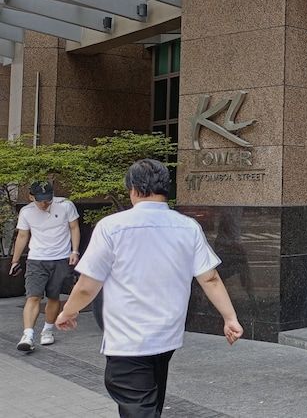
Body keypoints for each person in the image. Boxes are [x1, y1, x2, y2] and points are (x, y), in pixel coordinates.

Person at [55, 159, 243, 418]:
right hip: (167, 335)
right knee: (151, 401)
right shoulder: (188, 227)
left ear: (133, 189)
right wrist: (230, 318)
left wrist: (68, 311)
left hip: (128, 340)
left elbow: (88, 285)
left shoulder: (112, 227)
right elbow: (210, 278)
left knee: (139, 407)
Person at [8, 181, 80, 351]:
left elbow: (74, 227)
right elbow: (22, 236)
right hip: (36, 259)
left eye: (48, 199)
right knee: (33, 296)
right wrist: (15, 261)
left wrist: (74, 251)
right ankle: (28, 335)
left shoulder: (66, 205)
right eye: (40, 200)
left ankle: (47, 330)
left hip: (61, 258)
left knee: (54, 297)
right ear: (31, 197)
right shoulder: (26, 212)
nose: (44, 203)